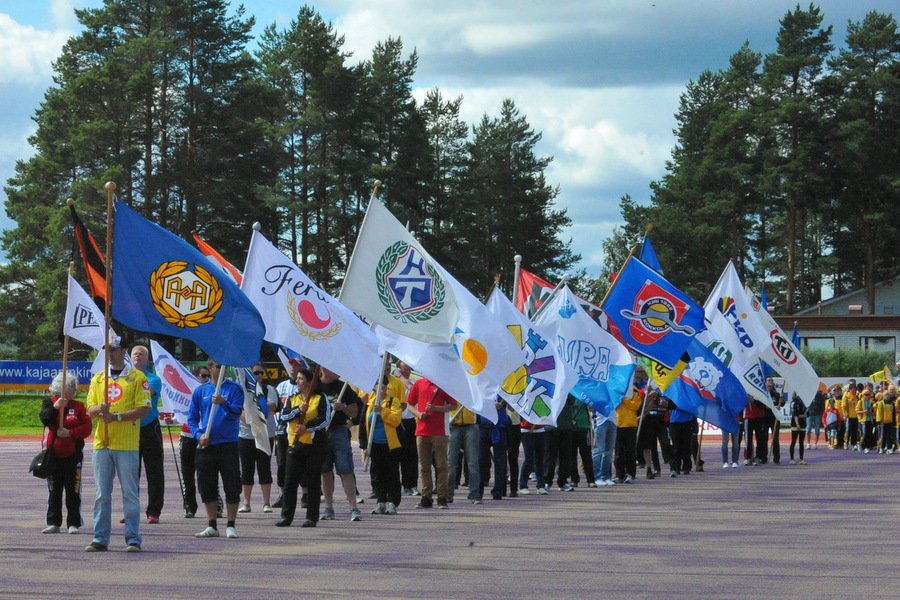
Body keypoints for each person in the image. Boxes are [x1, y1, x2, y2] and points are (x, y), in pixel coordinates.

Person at [84, 335, 151, 552]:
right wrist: (99, 410)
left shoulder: (138, 377)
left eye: (114, 350)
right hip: (102, 443)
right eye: (107, 350)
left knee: (129, 493)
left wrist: (117, 416)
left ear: (123, 351)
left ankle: (133, 538)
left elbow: (144, 409)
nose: (110, 354)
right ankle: (100, 537)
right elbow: (90, 409)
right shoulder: (98, 378)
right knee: (102, 493)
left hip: (127, 444)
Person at [188, 359, 244, 539]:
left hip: (228, 444)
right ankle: (212, 525)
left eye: (225, 367)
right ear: (211, 368)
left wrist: (223, 403)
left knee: (232, 484)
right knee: (206, 486)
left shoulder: (234, 388)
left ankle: (231, 524)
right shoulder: (200, 391)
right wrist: (199, 435)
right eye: (219, 366)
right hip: (207, 445)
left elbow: (236, 412)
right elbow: (192, 418)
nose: (222, 370)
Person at [276, 366, 330, 527]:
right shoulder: (294, 398)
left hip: (314, 445)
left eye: (300, 378)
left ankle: (311, 517)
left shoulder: (320, 397)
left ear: (308, 381)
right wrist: (297, 411)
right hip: (294, 444)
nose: (297, 381)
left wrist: (307, 427)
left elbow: (325, 419)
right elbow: (284, 416)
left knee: (312, 481)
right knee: (290, 482)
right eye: (297, 379)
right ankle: (286, 516)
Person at [39, 370, 92, 534]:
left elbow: (87, 427)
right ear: (62, 388)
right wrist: (56, 408)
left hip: (73, 455)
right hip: (53, 456)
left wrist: (70, 433)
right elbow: (45, 419)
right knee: (54, 490)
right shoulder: (50, 402)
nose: (74, 390)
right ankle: (54, 522)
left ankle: (73, 523)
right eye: (71, 387)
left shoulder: (78, 406)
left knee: (73, 490)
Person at [319, 367, 363, 522]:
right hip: (322, 433)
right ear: (324, 368)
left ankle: (353, 507)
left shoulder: (343, 387)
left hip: (339, 432)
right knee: (325, 471)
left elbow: (355, 411)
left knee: (345, 470)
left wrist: (343, 408)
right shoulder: (315, 386)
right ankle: (328, 507)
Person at [405, 377, 456, 509]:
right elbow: (410, 404)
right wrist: (418, 413)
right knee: (424, 466)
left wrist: (436, 408)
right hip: (422, 430)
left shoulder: (443, 383)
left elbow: (453, 405)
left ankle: (442, 497)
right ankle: (426, 497)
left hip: (440, 430)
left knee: (441, 465)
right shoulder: (419, 383)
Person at [130, 345, 165, 524]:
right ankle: (131, 510)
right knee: (130, 472)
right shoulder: (125, 378)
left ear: (147, 359)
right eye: (135, 353)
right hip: (130, 428)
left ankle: (154, 511)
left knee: (154, 472)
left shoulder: (154, 379)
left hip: (150, 428)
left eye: (142, 354)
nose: (138, 356)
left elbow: (145, 391)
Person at [365, 365, 404, 515]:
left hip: (390, 444)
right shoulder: (371, 402)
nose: (381, 389)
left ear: (387, 388)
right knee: (378, 474)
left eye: (384, 386)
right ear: (374, 388)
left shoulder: (392, 401)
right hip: (375, 444)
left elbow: (395, 420)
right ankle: (380, 501)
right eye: (378, 386)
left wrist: (383, 411)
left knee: (392, 474)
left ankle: (393, 502)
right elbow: (365, 423)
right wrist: (364, 444)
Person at [237, 364, 276, 514]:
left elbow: (272, 405)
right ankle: (246, 503)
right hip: (246, 435)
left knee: (264, 468)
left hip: (265, 434)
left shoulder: (268, 389)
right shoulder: (242, 389)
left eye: (261, 373)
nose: (258, 375)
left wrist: (256, 408)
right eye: (255, 373)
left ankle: (267, 503)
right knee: (247, 470)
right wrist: (251, 414)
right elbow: (239, 410)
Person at [272, 358, 301, 509]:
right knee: (281, 464)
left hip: (298, 431)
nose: (293, 368)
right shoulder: (281, 386)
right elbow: (276, 407)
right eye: (291, 365)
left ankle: (305, 494)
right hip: (282, 431)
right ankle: (282, 495)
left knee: (300, 464)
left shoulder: (304, 388)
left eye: (296, 365)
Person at [394, 361, 420, 497]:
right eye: (404, 370)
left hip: (410, 421)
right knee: (398, 454)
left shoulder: (414, 381)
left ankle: (412, 484)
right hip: (396, 421)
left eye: (409, 370)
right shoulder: (394, 381)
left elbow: (411, 388)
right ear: (399, 369)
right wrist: (398, 377)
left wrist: (400, 376)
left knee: (412, 455)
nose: (407, 373)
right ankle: (399, 485)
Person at [447, 404, 481, 503]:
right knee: (450, 463)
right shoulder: (451, 388)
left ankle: (475, 494)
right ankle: (448, 494)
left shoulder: (473, 387)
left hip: (471, 424)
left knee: (473, 463)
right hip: (453, 424)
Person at [479, 397, 510, 500]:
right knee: (481, 459)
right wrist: (490, 406)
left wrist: (507, 399)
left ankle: (499, 490)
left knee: (500, 460)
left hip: (500, 425)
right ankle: (478, 491)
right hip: (483, 424)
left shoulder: (505, 385)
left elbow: (513, 406)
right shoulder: (481, 384)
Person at [614, 378, 643, 484]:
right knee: (618, 452)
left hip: (630, 425)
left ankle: (630, 474)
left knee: (630, 452)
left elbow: (635, 406)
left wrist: (624, 399)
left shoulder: (634, 390)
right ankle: (619, 474)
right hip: (617, 425)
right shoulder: (615, 390)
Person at [591, 401, 617, 485]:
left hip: (612, 420)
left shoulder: (612, 388)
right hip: (600, 421)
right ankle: (596, 477)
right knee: (598, 450)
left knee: (609, 452)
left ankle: (606, 476)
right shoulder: (595, 388)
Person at [765, 377, 784, 465]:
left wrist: (782, 398)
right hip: (765, 418)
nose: (770, 382)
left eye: (772, 380)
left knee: (775, 439)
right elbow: (763, 404)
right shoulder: (764, 394)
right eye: (769, 380)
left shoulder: (776, 394)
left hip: (774, 419)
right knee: (764, 438)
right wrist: (773, 407)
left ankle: (776, 458)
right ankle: (763, 457)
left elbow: (782, 404)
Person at [788, 393, 807, 464]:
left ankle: (801, 459)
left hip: (803, 424)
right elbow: (795, 414)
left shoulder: (805, 403)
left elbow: (806, 414)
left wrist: (800, 416)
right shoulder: (793, 403)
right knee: (793, 441)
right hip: (795, 424)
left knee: (801, 442)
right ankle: (792, 459)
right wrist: (797, 423)